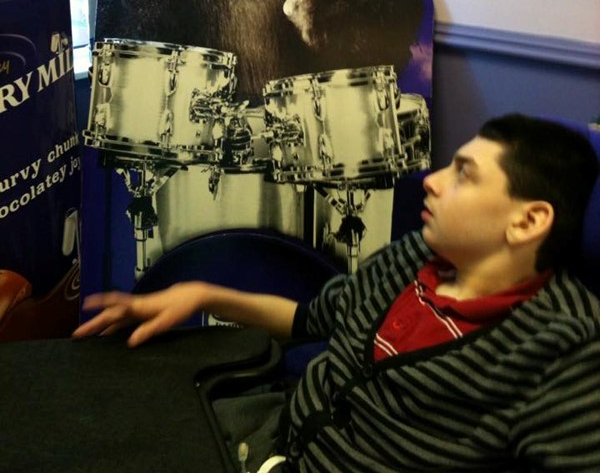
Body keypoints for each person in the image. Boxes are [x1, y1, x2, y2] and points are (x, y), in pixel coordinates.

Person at [74, 114, 600, 472]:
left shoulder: (566, 346)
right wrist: (202, 295)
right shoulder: (412, 258)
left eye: (463, 175)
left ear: (527, 221)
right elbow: (306, 320)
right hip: (270, 434)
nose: (434, 181)